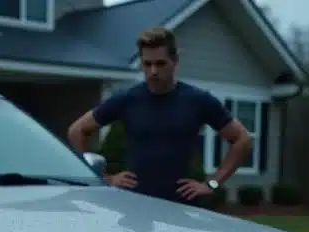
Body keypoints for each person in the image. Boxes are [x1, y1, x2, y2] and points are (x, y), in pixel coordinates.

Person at [67, 27, 253, 205]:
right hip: (134, 207)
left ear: (175, 61)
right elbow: (77, 130)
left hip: (182, 206)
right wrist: (104, 178)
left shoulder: (198, 101)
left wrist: (212, 184)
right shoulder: (127, 99)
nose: (153, 71)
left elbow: (241, 140)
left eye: (160, 63)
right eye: (147, 64)